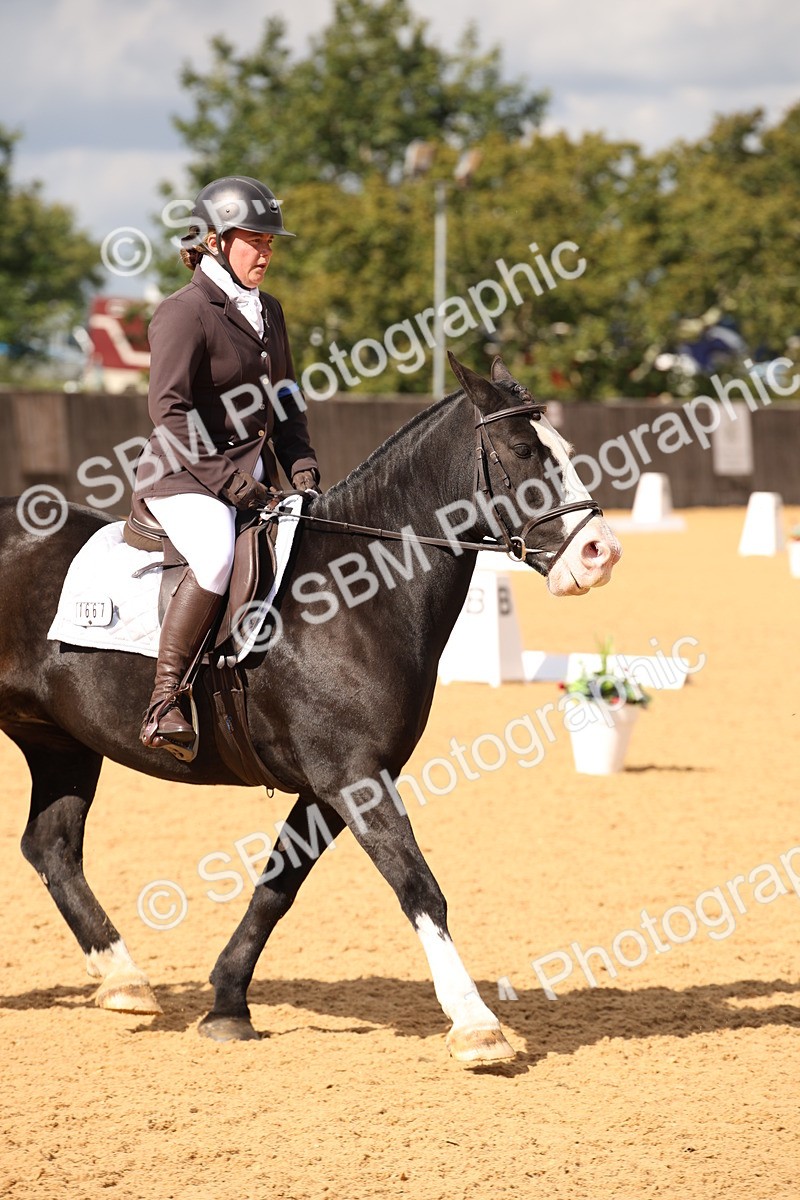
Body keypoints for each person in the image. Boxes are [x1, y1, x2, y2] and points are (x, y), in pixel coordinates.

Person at [134, 175, 320, 751]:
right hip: (185, 477)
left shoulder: (269, 310)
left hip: (252, 476)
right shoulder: (184, 312)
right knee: (215, 555)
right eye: (255, 240)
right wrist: (229, 483)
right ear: (214, 241)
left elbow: (284, 396)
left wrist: (303, 464)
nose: (266, 251)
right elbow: (169, 408)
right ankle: (165, 700)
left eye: (270, 242)